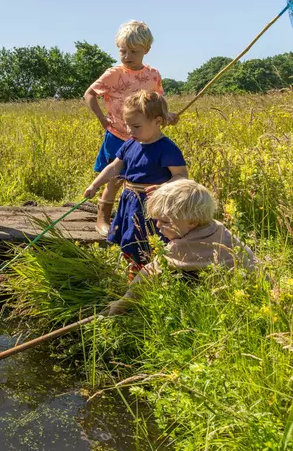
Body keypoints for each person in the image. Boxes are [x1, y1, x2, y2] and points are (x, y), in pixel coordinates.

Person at [106, 179, 256, 315]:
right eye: (157, 220)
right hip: (249, 290)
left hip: (232, 302)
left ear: (192, 222)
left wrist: (122, 304)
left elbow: (149, 273)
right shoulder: (216, 227)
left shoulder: (184, 247)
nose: (158, 226)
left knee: (170, 275)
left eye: (165, 222)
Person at [84, 20, 177, 236]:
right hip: (118, 134)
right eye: (122, 51)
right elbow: (89, 94)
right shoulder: (114, 74)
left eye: (133, 51)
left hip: (144, 137)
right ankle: (102, 218)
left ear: (147, 50)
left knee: (137, 178)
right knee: (115, 179)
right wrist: (101, 118)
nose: (127, 56)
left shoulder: (152, 74)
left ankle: (134, 219)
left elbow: (158, 101)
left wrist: (166, 115)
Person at [84, 91, 187, 279]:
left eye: (136, 126)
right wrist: (95, 185)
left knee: (149, 240)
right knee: (129, 236)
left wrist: (164, 189)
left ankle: (150, 275)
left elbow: (181, 176)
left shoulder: (167, 148)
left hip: (152, 204)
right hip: (129, 201)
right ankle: (131, 269)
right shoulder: (131, 143)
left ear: (157, 122)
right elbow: (114, 167)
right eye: (128, 125)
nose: (130, 131)